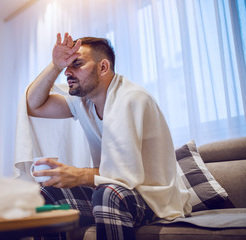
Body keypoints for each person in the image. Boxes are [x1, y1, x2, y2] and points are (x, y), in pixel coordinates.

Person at [26, 32, 191, 239]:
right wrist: (55, 65)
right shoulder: (84, 102)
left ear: (103, 67)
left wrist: (77, 175)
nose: (68, 72)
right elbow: (34, 105)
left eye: (76, 64)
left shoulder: (130, 99)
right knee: (49, 193)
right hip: (118, 189)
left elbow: (123, 176)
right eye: (66, 66)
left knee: (108, 194)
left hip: (151, 198)